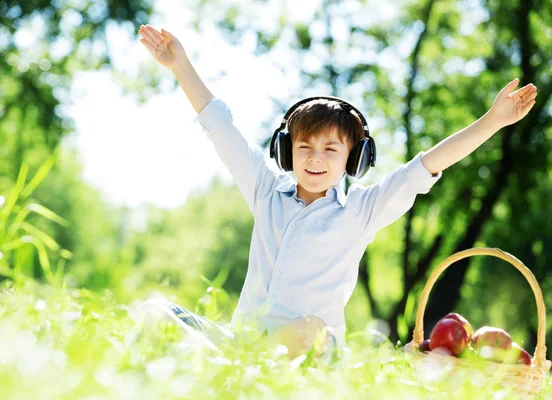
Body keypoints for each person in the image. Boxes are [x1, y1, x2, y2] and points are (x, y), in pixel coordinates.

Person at [136, 25, 538, 361]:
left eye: (331, 149)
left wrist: (493, 121)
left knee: (312, 329)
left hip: (310, 351)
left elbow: (426, 166)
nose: (315, 158)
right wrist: (180, 64)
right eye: (304, 147)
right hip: (241, 342)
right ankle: (227, 363)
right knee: (155, 311)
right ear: (286, 151)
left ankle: (228, 367)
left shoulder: (360, 211)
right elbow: (221, 128)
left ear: (353, 159)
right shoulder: (264, 190)